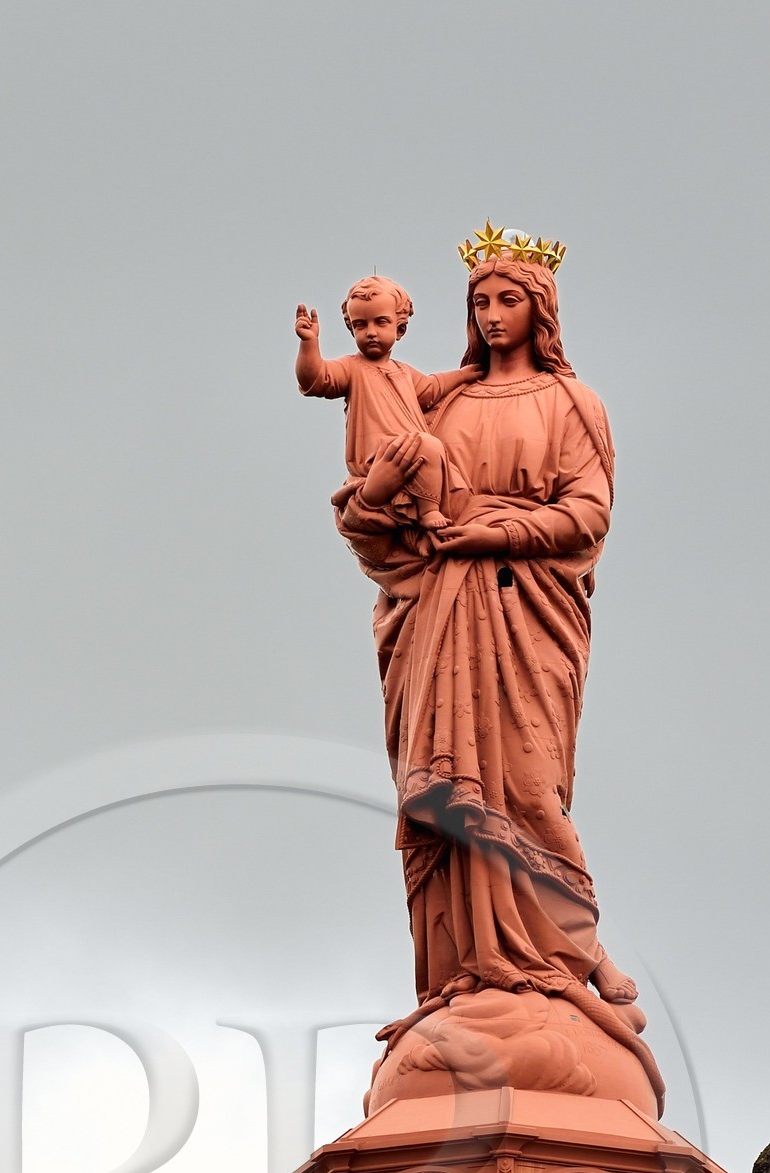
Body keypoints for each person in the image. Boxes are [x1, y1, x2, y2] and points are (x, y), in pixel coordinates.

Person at [329, 227, 662, 1105]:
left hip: (525, 610)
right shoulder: (438, 405)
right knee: (443, 796)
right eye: (479, 300)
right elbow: (380, 516)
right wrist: (379, 498)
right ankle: (466, 974)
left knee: (524, 785)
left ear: (539, 309)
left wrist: (495, 529)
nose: (490, 313)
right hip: (436, 613)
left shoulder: (573, 403)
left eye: (506, 298)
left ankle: (569, 956)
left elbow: (586, 514)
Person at [294, 276, 477, 534]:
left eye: (381, 322)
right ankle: (427, 511)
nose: (370, 332)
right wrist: (309, 343)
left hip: (412, 449)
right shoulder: (351, 368)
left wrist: (467, 374)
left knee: (431, 447)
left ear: (399, 329)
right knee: (429, 445)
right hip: (375, 459)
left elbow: (431, 388)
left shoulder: (404, 372)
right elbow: (315, 378)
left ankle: (429, 508)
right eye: (360, 325)